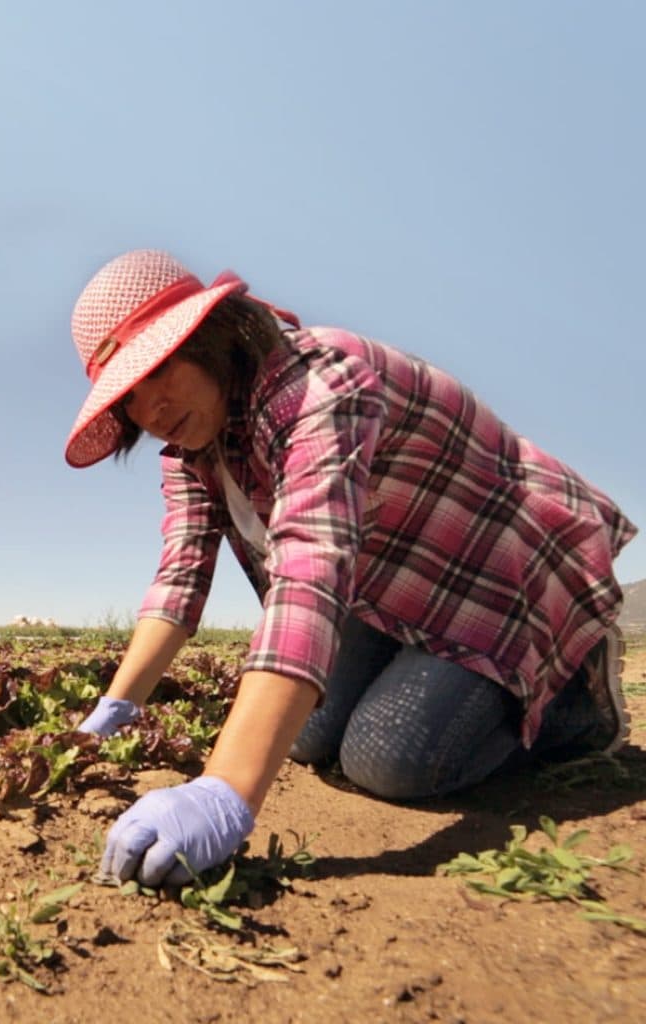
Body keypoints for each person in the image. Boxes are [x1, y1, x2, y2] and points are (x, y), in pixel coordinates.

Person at [64, 249, 637, 888]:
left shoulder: (318, 387)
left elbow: (310, 570)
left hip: (499, 576)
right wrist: (113, 710)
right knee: (307, 735)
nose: (150, 408)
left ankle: (572, 694)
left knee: (390, 758)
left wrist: (224, 788)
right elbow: (181, 576)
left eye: (159, 369)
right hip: (393, 589)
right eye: (128, 397)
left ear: (210, 337)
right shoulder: (193, 449)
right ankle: (445, 674)